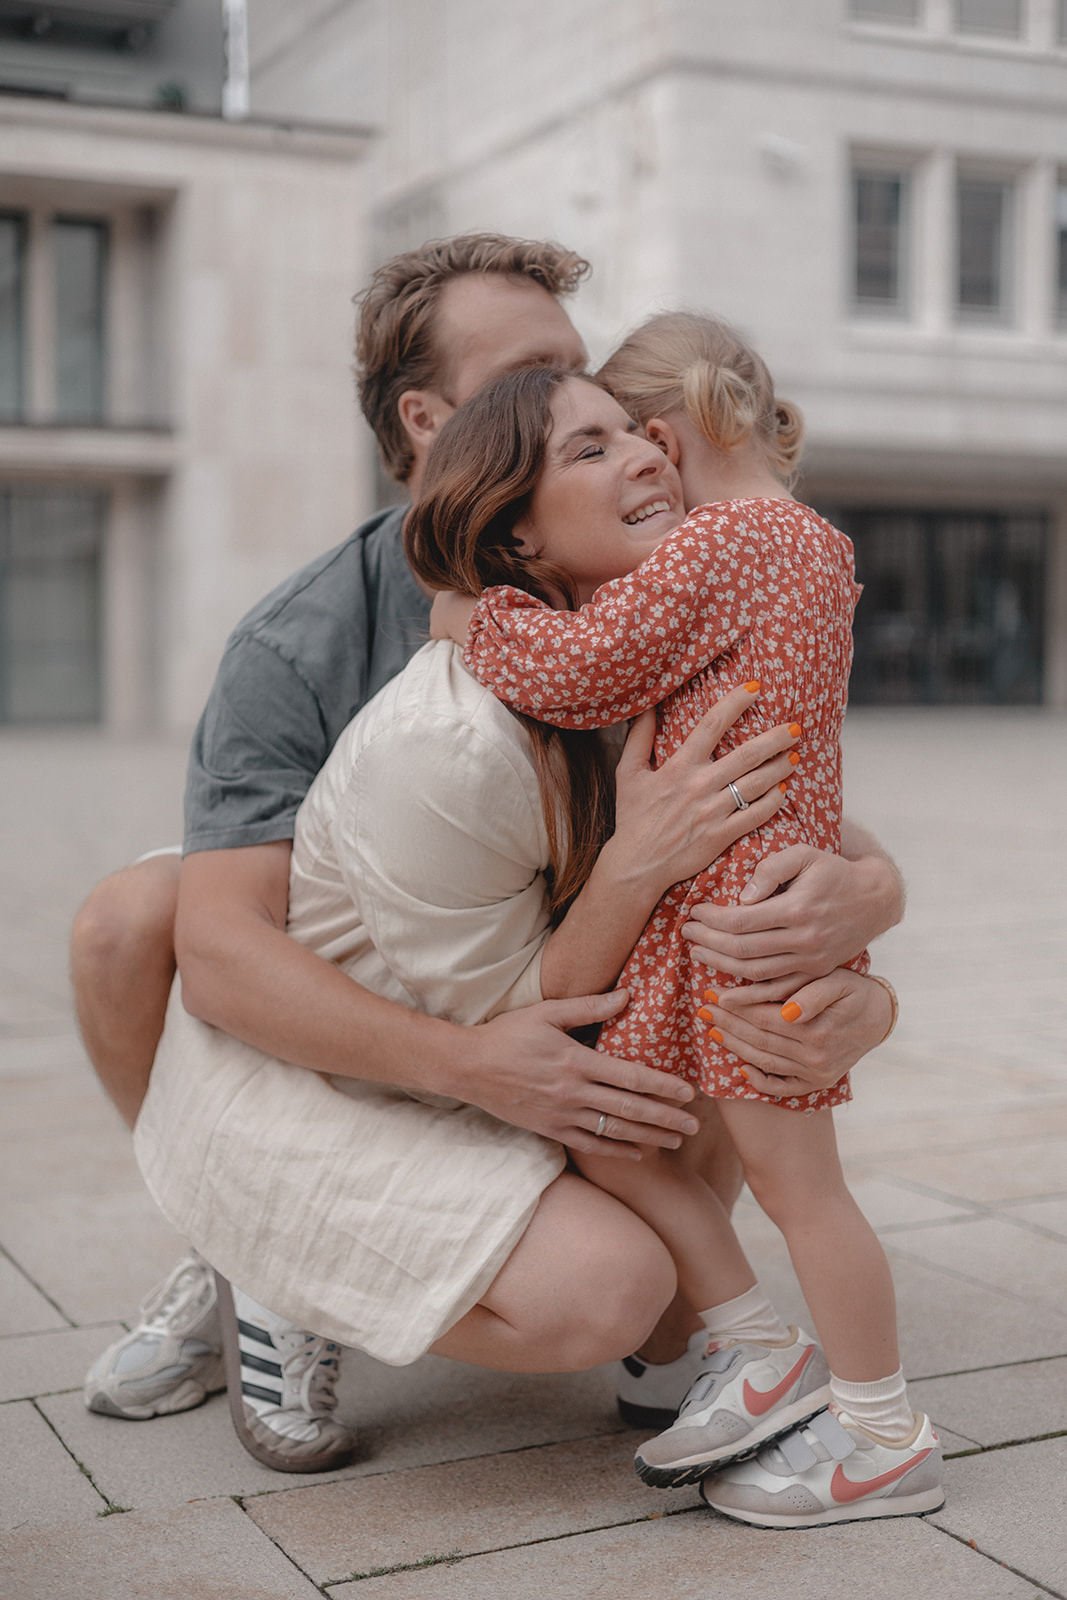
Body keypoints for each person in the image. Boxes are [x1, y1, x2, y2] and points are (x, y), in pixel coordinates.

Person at [72, 235, 902, 1469]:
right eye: (551, 394)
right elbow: (228, 952)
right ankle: (254, 1241)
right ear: (429, 422)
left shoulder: (663, 584)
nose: (628, 432)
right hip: (415, 1007)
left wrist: (864, 934)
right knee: (134, 909)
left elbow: (798, 823)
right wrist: (475, 1063)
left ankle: (712, 1324)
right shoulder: (314, 646)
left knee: (670, 1257)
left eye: (602, 395)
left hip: (543, 982)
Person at [427, 331, 943, 1527]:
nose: (631, 464)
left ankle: (881, 1434)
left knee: (800, 1189)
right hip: (719, 907)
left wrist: (475, 621)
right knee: (612, 1121)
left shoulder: (728, 540)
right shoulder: (815, 541)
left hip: (740, 922)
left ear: (666, 432)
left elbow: (592, 669)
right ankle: (757, 1346)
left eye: (624, 432)